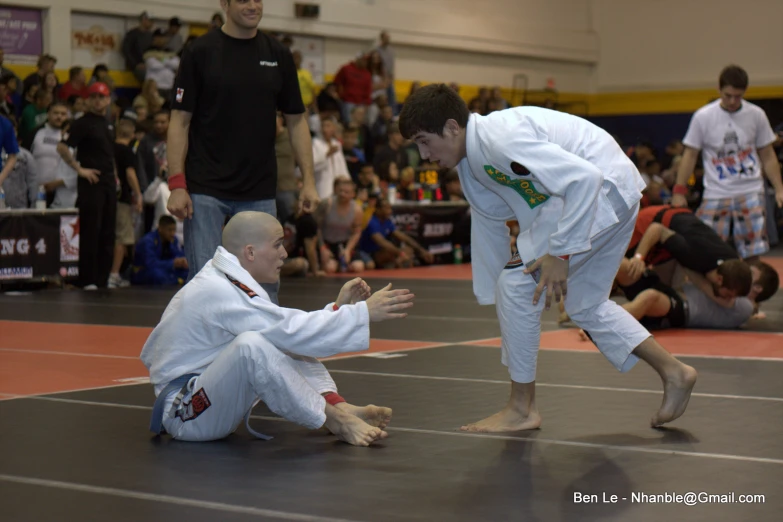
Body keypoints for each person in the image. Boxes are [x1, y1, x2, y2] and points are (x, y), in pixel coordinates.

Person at [399, 84, 698, 431]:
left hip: (601, 189)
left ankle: (522, 409)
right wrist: (493, 289)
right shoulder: (472, 163)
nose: (423, 154)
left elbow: (585, 178)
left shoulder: (499, 139)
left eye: (424, 141)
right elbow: (489, 223)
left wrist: (560, 252)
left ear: (452, 127)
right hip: (609, 193)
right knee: (584, 306)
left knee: (517, 286)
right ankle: (675, 372)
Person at [140, 211, 415, 445]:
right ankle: (337, 419)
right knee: (254, 345)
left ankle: (339, 406)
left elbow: (284, 330)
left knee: (273, 337)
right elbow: (287, 330)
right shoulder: (219, 289)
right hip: (185, 413)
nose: (284, 253)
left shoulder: (226, 279)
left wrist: (337, 309)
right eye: (277, 244)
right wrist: (362, 313)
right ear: (250, 252)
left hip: (207, 394)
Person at [166, 0, 320, 305]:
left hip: (259, 188)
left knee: (264, 286)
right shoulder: (200, 51)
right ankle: (206, 353)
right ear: (224, 3)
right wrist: (176, 184)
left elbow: (296, 120)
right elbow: (179, 121)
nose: (252, 5)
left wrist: (310, 181)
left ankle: (262, 351)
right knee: (205, 285)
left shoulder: (278, 54)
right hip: (205, 188)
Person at [671, 65, 783, 261]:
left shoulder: (756, 114)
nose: (732, 101)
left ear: (745, 92)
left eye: (738, 96)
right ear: (719, 89)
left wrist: (779, 188)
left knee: (752, 251)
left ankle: (748, 290)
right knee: (708, 248)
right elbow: (690, 155)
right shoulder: (703, 116)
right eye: (728, 95)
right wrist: (679, 191)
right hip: (716, 191)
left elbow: (767, 154)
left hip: (750, 189)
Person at [56, 82, 116, 289]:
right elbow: (62, 147)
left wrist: (115, 176)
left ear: (108, 100)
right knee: (92, 230)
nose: (98, 101)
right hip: (91, 184)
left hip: (108, 183)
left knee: (108, 231)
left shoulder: (108, 123)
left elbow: (109, 154)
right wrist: (79, 169)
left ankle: (103, 278)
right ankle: (88, 278)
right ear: (88, 100)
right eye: (94, 97)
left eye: (102, 97)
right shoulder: (82, 123)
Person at [131, 215, 188, 285]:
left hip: (164, 267)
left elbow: (177, 254)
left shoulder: (172, 239)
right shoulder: (148, 241)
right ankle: (178, 280)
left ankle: (175, 280)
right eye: (170, 230)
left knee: (187, 271)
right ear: (160, 228)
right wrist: (173, 263)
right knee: (157, 275)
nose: (173, 234)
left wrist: (182, 261)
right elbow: (151, 264)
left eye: (174, 230)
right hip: (144, 271)